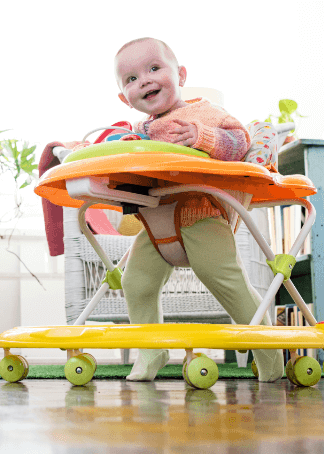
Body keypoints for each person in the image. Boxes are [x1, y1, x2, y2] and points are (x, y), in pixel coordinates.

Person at [113, 37, 283, 382]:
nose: (143, 80)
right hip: (155, 222)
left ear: (181, 75)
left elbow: (240, 143)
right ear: (124, 99)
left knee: (227, 282)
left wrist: (203, 136)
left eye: (154, 68)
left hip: (200, 214)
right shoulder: (137, 133)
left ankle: (270, 357)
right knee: (136, 282)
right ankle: (152, 351)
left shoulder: (204, 113)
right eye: (131, 79)